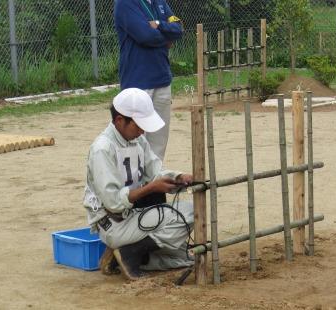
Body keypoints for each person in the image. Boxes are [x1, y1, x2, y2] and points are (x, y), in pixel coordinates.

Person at [83, 88, 194, 280]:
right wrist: (151, 188)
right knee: (183, 219)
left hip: (133, 215)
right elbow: (113, 202)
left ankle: (130, 255)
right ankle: (129, 252)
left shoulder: (138, 140)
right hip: (112, 222)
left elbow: (155, 172)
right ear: (120, 121)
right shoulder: (103, 148)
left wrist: (179, 177)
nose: (142, 131)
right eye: (138, 125)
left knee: (185, 257)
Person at [114, 0, 183, 161]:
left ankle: (155, 181)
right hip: (137, 83)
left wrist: (159, 24)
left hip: (162, 80)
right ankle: (137, 183)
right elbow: (145, 36)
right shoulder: (125, 3)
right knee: (135, 141)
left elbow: (179, 28)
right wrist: (167, 38)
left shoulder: (159, 2)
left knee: (159, 142)